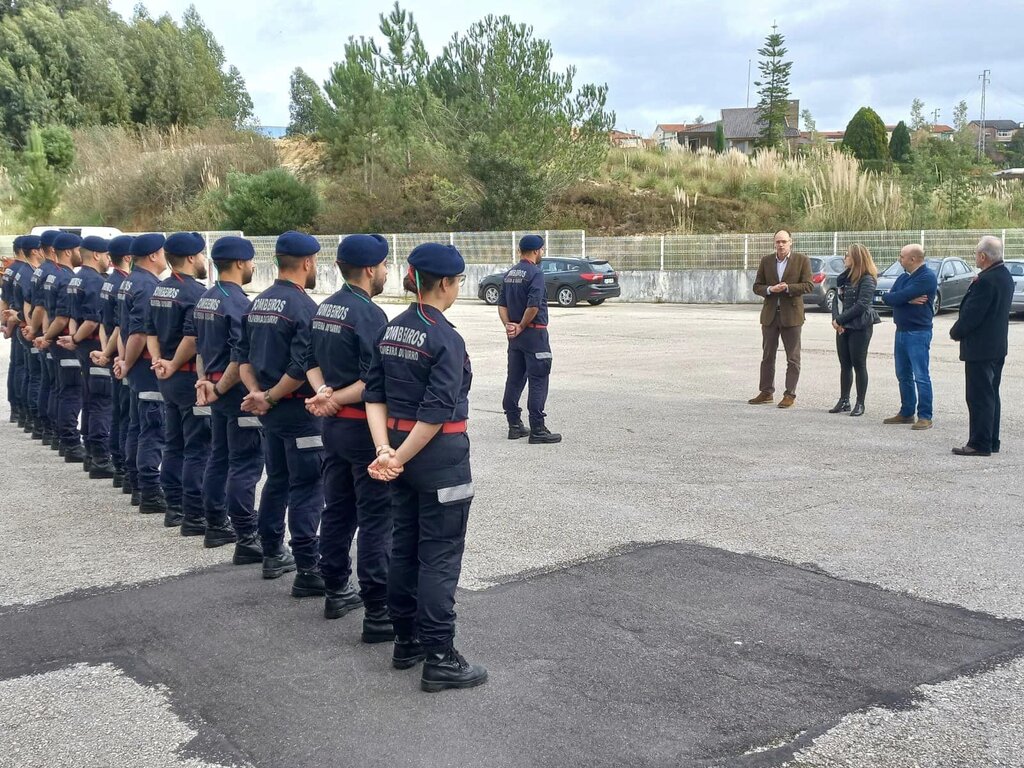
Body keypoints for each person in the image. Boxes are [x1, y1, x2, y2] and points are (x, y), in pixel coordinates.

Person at [364, 242, 488, 693]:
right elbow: (436, 412)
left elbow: (373, 395)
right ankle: (440, 655)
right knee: (439, 555)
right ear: (445, 283)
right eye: (457, 282)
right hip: (438, 458)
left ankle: (406, 640)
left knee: (405, 544)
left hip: (399, 450)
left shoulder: (391, 330)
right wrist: (398, 456)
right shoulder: (445, 337)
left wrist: (385, 451)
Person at [305, 234, 393, 638]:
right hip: (360, 426)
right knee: (376, 518)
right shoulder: (368, 314)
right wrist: (334, 398)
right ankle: (379, 609)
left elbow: (309, 361)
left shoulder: (325, 308)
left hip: (333, 427)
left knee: (337, 510)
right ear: (371, 270)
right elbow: (374, 382)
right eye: (386, 266)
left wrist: (323, 395)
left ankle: (336, 587)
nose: (387, 273)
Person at [235, 231, 325, 597]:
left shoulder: (256, 303)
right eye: (315, 262)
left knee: (277, 480)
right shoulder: (304, 307)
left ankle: (272, 551)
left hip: (270, 412)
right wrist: (268, 397)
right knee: (307, 487)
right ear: (306, 263)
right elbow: (303, 366)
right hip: (299, 412)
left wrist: (257, 393)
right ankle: (308, 567)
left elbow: (241, 358)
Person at [190, 236, 264, 561]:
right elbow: (239, 356)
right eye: (249, 262)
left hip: (216, 391)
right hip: (233, 394)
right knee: (245, 464)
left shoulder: (206, 298)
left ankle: (215, 524)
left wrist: (203, 382)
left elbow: (201, 351)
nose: (251, 267)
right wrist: (217, 389)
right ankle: (247, 536)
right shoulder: (237, 303)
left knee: (219, 457)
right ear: (238, 263)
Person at [147, 232, 211, 536]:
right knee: (197, 447)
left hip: (167, 377)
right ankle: (194, 514)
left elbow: (149, 330)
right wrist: (172, 363)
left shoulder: (160, 289)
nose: (203, 260)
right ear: (190, 258)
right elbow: (193, 336)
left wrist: (159, 360)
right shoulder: (194, 293)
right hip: (185, 376)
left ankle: (174, 508)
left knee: (174, 444)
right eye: (200, 255)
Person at [115, 233, 170, 517]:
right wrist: (127, 362)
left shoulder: (129, 282)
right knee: (152, 429)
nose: (165, 257)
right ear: (152, 255)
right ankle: (149, 491)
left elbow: (121, 328)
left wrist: (124, 361)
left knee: (137, 426)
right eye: (162, 252)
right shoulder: (148, 286)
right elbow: (138, 332)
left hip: (135, 369)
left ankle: (137, 484)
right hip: (146, 370)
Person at [949, 236, 1015, 457]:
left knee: (979, 397)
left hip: (981, 348)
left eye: (977, 253)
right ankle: (991, 440)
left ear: (983, 256)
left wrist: (956, 331)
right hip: (995, 346)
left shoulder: (986, 280)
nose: (975, 257)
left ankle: (979, 443)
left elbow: (973, 314)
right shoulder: (1003, 275)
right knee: (991, 394)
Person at [58, 236, 116, 478]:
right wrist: (78, 339)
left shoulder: (76, 278)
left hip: (81, 347)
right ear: (96, 255)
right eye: (105, 255)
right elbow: (92, 320)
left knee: (90, 399)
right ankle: (101, 458)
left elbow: (72, 315)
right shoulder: (95, 281)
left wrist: (73, 338)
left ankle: (92, 455)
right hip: (92, 347)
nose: (108, 260)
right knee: (101, 403)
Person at [498, 234, 561, 444]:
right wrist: (522, 326)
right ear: (536, 251)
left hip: (515, 337)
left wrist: (510, 326)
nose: (542, 253)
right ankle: (537, 429)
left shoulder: (509, 274)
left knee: (515, 378)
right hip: (534, 334)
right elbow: (533, 306)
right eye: (542, 250)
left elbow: (502, 305)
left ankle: (514, 424)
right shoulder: (535, 273)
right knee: (538, 379)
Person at [749, 229, 814, 408]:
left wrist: (787, 288)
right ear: (774, 243)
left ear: (790, 242)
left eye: (784, 241)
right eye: (778, 242)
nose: (780, 245)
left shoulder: (802, 260)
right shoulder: (766, 261)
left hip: (792, 316)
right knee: (767, 355)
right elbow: (757, 286)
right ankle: (766, 391)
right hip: (770, 315)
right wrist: (770, 289)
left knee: (792, 357)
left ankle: (789, 394)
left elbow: (809, 285)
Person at [37, 232, 85, 462]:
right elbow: (63, 318)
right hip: (64, 342)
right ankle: (70, 442)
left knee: (59, 389)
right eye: (78, 250)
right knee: (71, 393)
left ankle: (59, 436)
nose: (81, 254)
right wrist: (48, 336)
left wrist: (45, 336)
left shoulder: (53, 276)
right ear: (68, 252)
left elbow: (46, 310)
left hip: (55, 341)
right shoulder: (65, 278)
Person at [91, 235, 135, 489]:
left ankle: (119, 467)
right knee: (128, 417)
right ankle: (126, 471)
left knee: (118, 414)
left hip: (113, 354)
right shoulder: (124, 284)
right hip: (122, 356)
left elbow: (103, 324)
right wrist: (111, 354)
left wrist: (107, 353)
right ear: (128, 257)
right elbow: (122, 327)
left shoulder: (110, 283)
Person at [881, 244, 937, 430]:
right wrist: (906, 299)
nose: (899, 259)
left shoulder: (927, 277)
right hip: (902, 331)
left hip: (918, 332)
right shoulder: (905, 277)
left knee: (921, 375)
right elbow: (888, 298)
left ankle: (925, 416)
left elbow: (899, 297)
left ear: (913, 259)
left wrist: (902, 298)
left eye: (902, 256)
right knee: (903, 374)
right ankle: (906, 412)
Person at [829, 244, 879, 417]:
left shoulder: (867, 278)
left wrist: (840, 319)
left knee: (859, 364)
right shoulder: (844, 277)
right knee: (845, 364)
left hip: (860, 326)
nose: (845, 258)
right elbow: (837, 300)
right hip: (843, 327)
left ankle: (860, 402)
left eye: (848, 255)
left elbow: (861, 305)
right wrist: (836, 320)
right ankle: (844, 400)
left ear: (857, 258)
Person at [26, 229, 62, 446]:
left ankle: (44, 428)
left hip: (41, 332)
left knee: (46, 381)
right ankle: (50, 431)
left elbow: (31, 303)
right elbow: (41, 307)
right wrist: (37, 330)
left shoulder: (40, 271)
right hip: (49, 335)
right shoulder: (54, 273)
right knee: (56, 386)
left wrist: (31, 327)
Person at [13, 236, 45, 438]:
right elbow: (30, 304)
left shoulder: (28, 272)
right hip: (30, 329)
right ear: (35, 251)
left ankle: (27, 417)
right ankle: (33, 419)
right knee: (36, 377)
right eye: (40, 249)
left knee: (29, 373)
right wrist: (32, 327)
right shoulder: (28, 273)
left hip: (25, 326)